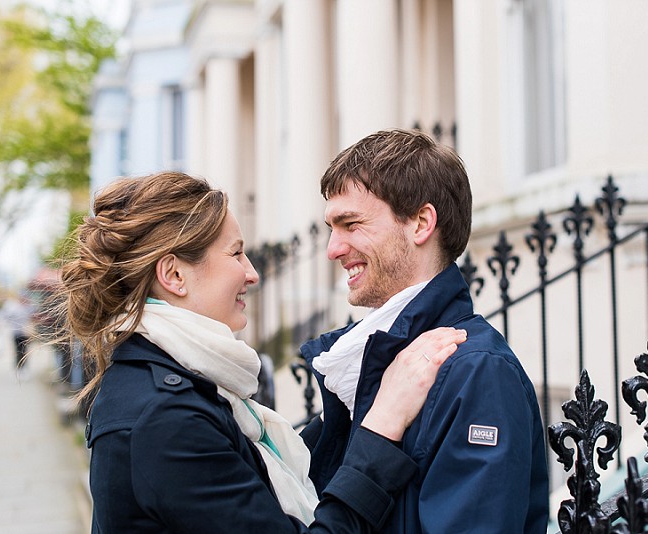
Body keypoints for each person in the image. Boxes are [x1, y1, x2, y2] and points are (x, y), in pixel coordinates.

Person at [60, 171, 466, 532]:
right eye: (236, 252)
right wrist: (382, 423)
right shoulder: (165, 420)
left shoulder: (170, 382)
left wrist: (350, 409)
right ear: (174, 274)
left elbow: (253, 470)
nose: (252, 272)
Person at [299, 129, 549, 533]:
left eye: (351, 224)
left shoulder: (478, 374)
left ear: (420, 223)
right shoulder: (365, 360)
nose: (333, 248)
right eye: (332, 227)